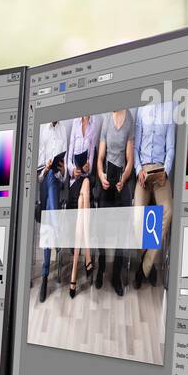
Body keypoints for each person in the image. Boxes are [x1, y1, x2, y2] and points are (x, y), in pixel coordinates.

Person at [132, 102, 175, 289]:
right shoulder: (141, 108)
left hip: (160, 170)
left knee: (168, 212)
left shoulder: (171, 108)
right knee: (137, 218)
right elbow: (135, 147)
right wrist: (138, 169)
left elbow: (171, 147)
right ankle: (147, 265)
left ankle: (144, 268)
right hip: (143, 172)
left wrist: (165, 171)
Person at [95, 108, 136, 295]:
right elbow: (100, 158)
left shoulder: (130, 120)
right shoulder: (106, 119)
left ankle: (116, 274)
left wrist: (124, 178)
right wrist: (101, 174)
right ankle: (101, 266)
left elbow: (130, 160)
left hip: (121, 178)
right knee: (101, 225)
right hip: (107, 178)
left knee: (123, 226)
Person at [35, 118, 71, 303]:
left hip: (56, 184)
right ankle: (58, 230)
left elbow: (64, 175)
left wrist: (63, 169)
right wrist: (46, 168)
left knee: (48, 219)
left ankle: (44, 277)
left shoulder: (64, 129)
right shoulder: (41, 128)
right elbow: (38, 173)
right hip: (44, 181)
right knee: (48, 180)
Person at [66, 114, 100, 299]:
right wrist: (74, 170)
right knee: (80, 204)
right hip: (74, 181)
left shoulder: (95, 125)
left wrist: (87, 167)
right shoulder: (74, 122)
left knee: (86, 187)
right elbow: (69, 156)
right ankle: (87, 255)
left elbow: (92, 160)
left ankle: (73, 273)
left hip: (87, 178)